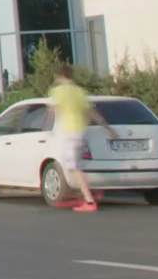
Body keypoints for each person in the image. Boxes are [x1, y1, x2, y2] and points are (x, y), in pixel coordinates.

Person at [49, 65, 120, 212]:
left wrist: (49, 129)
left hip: (68, 132)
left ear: (59, 76)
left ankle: (89, 200)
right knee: (71, 164)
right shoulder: (79, 92)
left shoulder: (58, 91)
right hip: (80, 131)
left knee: (74, 166)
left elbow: (52, 111)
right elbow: (91, 112)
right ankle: (83, 194)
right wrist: (108, 128)